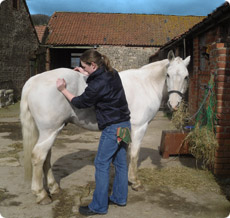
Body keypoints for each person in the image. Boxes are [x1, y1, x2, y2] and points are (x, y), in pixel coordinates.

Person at [56, 49, 131, 216]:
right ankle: (120, 198)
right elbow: (98, 79)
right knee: (120, 163)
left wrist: (63, 90)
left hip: (113, 128)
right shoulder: (112, 72)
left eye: (84, 66)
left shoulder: (97, 85)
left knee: (101, 164)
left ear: (93, 65)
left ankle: (98, 206)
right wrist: (85, 73)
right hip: (125, 124)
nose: (81, 67)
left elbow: (80, 102)